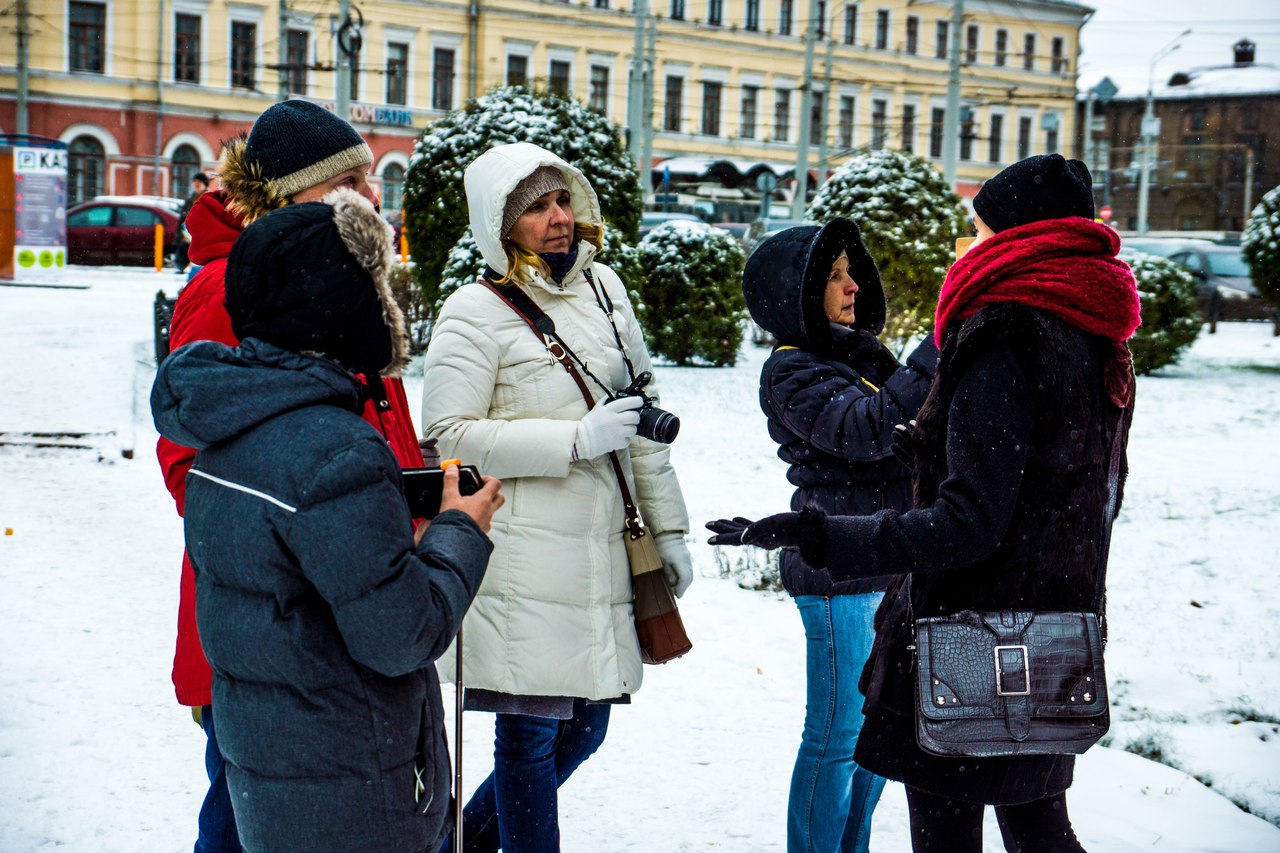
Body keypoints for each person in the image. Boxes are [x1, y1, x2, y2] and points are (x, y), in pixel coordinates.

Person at [709, 154, 1140, 852]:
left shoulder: (1002, 335)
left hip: (968, 637)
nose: (967, 248)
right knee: (1038, 830)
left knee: (967, 830)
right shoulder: (1095, 331)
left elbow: (966, 518)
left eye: (977, 232)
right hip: (1050, 628)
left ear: (1018, 239)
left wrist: (822, 534)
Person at [151, 187, 504, 852]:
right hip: (354, 787)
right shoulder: (336, 448)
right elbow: (401, 634)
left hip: (272, 773)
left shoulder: (227, 425)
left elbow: (301, 567)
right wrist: (462, 525)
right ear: (341, 304)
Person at [154, 99, 426, 853]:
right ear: (292, 195)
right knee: (248, 815)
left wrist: (412, 483)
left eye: (369, 180)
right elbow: (193, 461)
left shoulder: (336, 276)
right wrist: (325, 525)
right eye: (350, 182)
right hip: (272, 619)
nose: (371, 197)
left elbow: (369, 418)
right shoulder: (230, 286)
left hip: (345, 600)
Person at [419, 141, 693, 852]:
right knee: (532, 732)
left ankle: (465, 840)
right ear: (499, 223)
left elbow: (641, 419)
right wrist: (573, 438)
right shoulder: (472, 311)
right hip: (523, 561)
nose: (558, 217)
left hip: (600, 554)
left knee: (587, 724)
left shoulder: (604, 291)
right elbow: (447, 435)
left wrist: (669, 535)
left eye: (562, 199)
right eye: (536, 206)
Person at [741, 218, 938, 853]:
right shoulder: (792, 370)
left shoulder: (860, 358)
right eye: (833, 276)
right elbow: (868, 429)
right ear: (794, 292)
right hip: (838, 577)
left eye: (852, 272)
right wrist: (938, 346)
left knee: (877, 739)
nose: (852, 285)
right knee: (835, 738)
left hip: (888, 566)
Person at [175, 172, 209, 273]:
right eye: (195, 182)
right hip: (187, 236)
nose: (196, 184)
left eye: (199, 182)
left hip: (203, 237)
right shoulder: (189, 201)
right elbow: (182, 220)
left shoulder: (209, 199)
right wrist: (180, 235)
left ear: (205, 184)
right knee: (182, 256)